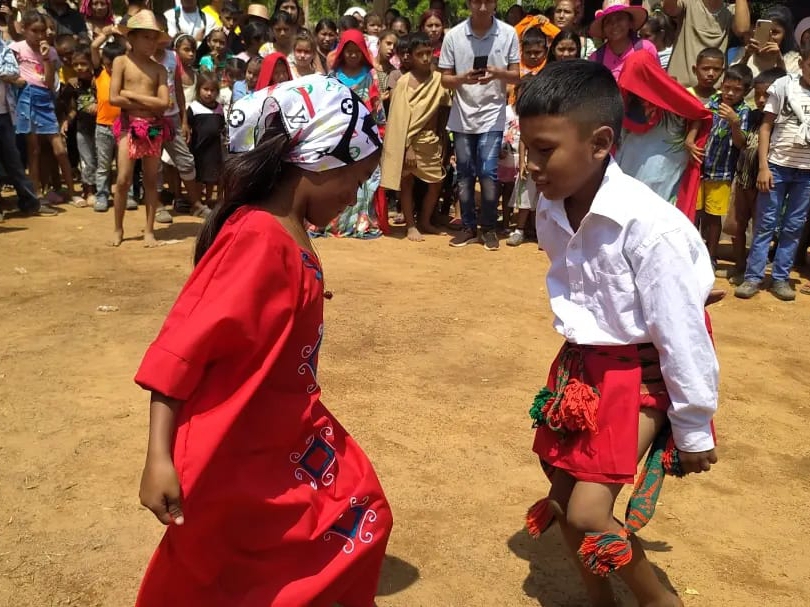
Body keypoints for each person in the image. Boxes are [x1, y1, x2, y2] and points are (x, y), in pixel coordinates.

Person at [135, 74, 391, 607]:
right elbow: (183, 347)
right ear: (320, 160)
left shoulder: (288, 232)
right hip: (237, 442)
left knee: (357, 512)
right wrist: (159, 455)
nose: (354, 196)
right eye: (356, 179)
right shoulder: (258, 237)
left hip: (288, 430)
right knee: (225, 562)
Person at [518, 60, 718, 607]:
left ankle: (660, 602)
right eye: (527, 149)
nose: (531, 165)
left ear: (601, 143)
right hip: (580, 372)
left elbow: (682, 332)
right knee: (562, 500)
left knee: (588, 511)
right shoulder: (552, 205)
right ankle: (600, 601)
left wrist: (693, 425)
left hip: (639, 376)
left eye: (544, 150)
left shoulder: (651, 226)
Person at [439, 0, 520, 251]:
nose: (482, 6)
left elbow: (516, 75)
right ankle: (468, 226)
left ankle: (488, 228)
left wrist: (497, 73)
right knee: (465, 173)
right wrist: (463, 78)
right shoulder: (454, 36)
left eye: (488, 1)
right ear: (469, 3)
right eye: (477, 1)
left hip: (492, 114)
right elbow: (445, 79)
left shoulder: (508, 33)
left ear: (495, 3)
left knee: (488, 172)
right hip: (462, 115)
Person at [735, 47, 810, 302]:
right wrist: (764, 167)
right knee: (765, 223)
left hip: (806, 174)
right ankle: (753, 277)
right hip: (777, 166)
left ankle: (780, 278)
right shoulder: (783, 86)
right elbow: (765, 127)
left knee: (794, 226)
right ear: (801, 62)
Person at [616, 51, 712, 219]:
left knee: (655, 209)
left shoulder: (669, 90)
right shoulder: (626, 93)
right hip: (631, 159)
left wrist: (690, 139)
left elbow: (699, 113)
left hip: (664, 162)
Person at [109, 10, 170, 247]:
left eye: (154, 38)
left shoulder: (160, 69)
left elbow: (163, 104)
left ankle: (149, 231)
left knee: (152, 179)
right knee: (123, 178)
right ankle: (118, 228)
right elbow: (114, 98)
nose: (151, 42)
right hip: (129, 125)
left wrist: (131, 95)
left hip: (153, 127)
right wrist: (149, 102)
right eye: (145, 37)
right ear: (131, 38)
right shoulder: (121, 62)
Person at [381, 31, 450, 241]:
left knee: (436, 183)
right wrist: (407, 147)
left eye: (428, 53)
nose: (426, 58)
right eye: (420, 54)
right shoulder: (403, 82)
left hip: (431, 140)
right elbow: (398, 120)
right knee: (407, 183)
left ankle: (425, 221)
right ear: (410, 56)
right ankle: (411, 225)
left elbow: (444, 109)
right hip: (409, 142)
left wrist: (442, 138)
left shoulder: (439, 80)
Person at [11, 11, 82, 207]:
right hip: (26, 98)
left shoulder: (50, 52)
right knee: (34, 150)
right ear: (24, 29)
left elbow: (50, 83)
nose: (40, 35)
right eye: (34, 31)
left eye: (42, 31)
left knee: (60, 149)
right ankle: (36, 194)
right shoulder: (16, 48)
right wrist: (16, 80)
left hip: (45, 99)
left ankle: (71, 192)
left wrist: (46, 58)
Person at [321, 29, 387, 238]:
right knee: (336, 179)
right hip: (337, 138)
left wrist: (380, 134)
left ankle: (362, 223)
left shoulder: (371, 76)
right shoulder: (332, 77)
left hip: (364, 139)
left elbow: (377, 109)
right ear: (341, 51)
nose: (352, 55)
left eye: (356, 51)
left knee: (364, 181)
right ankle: (333, 223)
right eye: (348, 51)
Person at [686, 64, 753, 270]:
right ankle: (689, 253)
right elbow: (700, 119)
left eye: (737, 90)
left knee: (713, 217)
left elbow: (741, 143)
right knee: (695, 213)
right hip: (699, 167)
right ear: (722, 85)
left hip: (721, 172)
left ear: (746, 91)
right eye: (727, 88)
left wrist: (734, 122)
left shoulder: (743, 111)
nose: (730, 93)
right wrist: (690, 140)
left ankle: (711, 255)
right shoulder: (714, 100)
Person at [726, 67, 786, 285]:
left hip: (764, 185)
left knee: (760, 229)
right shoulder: (750, 116)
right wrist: (734, 124)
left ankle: (753, 270)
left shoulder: (781, 124)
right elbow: (741, 143)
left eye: (766, 95)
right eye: (758, 94)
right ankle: (739, 265)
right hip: (743, 180)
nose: (761, 100)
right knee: (737, 227)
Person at [0, 32, 54, 216]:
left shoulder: (3, 46)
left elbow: (12, 71)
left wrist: (5, 74)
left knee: (13, 160)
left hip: (4, 113)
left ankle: (30, 202)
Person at [505, 27, 549, 247]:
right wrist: (523, 161)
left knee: (542, 199)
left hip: (544, 162)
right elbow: (524, 139)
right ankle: (519, 229)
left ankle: (541, 233)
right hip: (529, 162)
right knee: (524, 198)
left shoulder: (545, 115)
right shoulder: (524, 117)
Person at [663, 0, 750, 88]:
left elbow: (742, 29)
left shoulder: (731, 11)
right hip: (679, 88)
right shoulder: (688, 4)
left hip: (713, 91)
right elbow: (669, 8)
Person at [61, 46, 99, 207]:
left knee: (100, 161)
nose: (79, 67)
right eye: (75, 64)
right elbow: (72, 108)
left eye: (83, 64)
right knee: (87, 161)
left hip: (101, 128)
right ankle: (88, 191)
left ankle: (101, 191)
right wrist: (66, 121)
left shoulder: (99, 81)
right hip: (82, 128)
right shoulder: (73, 85)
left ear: (91, 63)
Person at [92, 39, 125, 213]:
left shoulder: (127, 76)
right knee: (103, 166)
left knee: (123, 165)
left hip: (124, 127)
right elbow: (93, 47)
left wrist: (122, 36)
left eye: (114, 64)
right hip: (103, 126)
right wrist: (109, 33)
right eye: (108, 64)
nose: (111, 68)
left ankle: (126, 195)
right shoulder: (100, 73)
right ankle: (102, 195)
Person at [588, 0, 657, 81]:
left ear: (630, 22)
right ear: (603, 29)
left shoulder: (646, 48)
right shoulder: (595, 59)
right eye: (608, 21)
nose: (614, 24)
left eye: (619, 18)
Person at [732, 7, 801, 83]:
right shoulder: (744, 52)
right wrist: (746, 57)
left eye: (775, 32)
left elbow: (790, 87)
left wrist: (779, 60)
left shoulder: (794, 60)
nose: (769, 36)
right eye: (766, 31)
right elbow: (731, 81)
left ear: (785, 35)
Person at [187, 71, 224, 206]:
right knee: (198, 177)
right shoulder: (194, 108)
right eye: (206, 89)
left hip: (214, 150)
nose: (209, 93)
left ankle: (209, 200)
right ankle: (198, 202)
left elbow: (222, 126)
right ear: (198, 89)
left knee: (211, 177)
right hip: (198, 149)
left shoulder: (219, 108)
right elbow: (187, 126)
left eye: (212, 90)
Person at [375, 29, 398, 110]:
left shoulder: (394, 73)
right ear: (378, 43)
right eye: (388, 43)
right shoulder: (368, 67)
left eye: (395, 46)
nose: (392, 48)